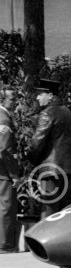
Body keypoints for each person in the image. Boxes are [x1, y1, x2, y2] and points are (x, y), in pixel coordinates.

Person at [27, 78, 71, 219]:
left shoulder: (47, 113)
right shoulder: (68, 112)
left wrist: (30, 159)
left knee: (48, 212)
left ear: (50, 96)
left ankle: (44, 240)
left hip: (51, 171)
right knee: (65, 213)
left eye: (40, 93)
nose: (37, 97)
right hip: (69, 169)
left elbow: (37, 143)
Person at [0, 88, 21, 254]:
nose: (15, 102)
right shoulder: (4, 119)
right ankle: (5, 243)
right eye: (12, 99)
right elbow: (5, 150)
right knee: (6, 207)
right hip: (3, 172)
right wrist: (14, 175)